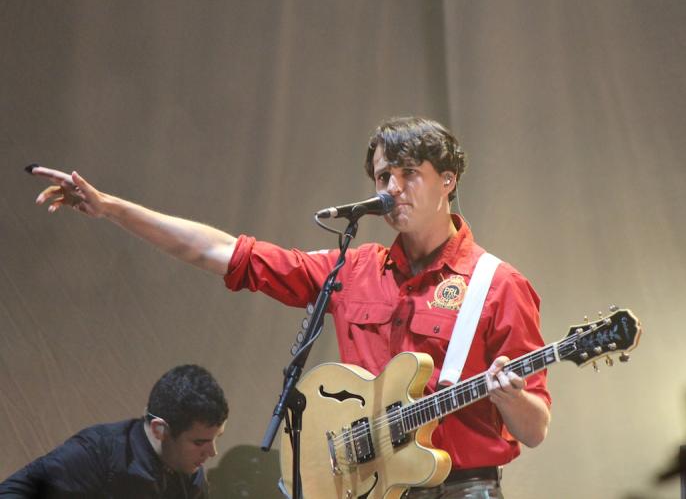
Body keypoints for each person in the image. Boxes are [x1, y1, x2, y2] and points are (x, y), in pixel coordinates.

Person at [28, 117, 551, 498]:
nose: (392, 189)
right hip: (363, 489)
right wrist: (112, 208)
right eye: (382, 177)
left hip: (459, 491)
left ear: (448, 180)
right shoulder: (355, 266)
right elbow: (222, 252)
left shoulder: (497, 285)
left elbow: (534, 429)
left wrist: (509, 398)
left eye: (409, 173)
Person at [0, 365, 228, 499]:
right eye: (199, 442)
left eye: (215, 439)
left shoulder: (190, 476)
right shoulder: (97, 452)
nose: (212, 452)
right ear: (160, 429)